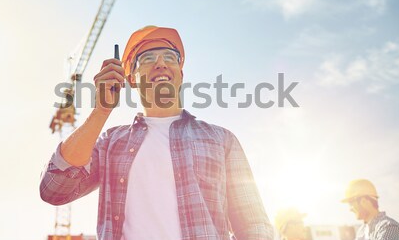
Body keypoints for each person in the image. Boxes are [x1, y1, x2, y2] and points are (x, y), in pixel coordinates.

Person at [40, 26, 274, 240]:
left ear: (180, 75)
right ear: (130, 79)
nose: (161, 64)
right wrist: (101, 111)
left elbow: (254, 227)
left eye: (170, 58)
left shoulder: (222, 141)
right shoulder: (111, 143)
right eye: (148, 59)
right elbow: (54, 189)